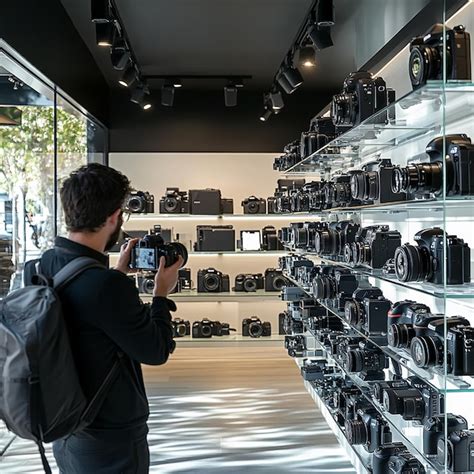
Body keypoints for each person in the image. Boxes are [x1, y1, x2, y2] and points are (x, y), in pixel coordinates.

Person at [24, 163, 180, 473]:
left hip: (64, 424)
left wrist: (117, 273)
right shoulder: (107, 286)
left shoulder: (41, 267)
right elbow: (156, 350)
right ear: (113, 217)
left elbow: (82, 322)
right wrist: (161, 294)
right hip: (110, 436)